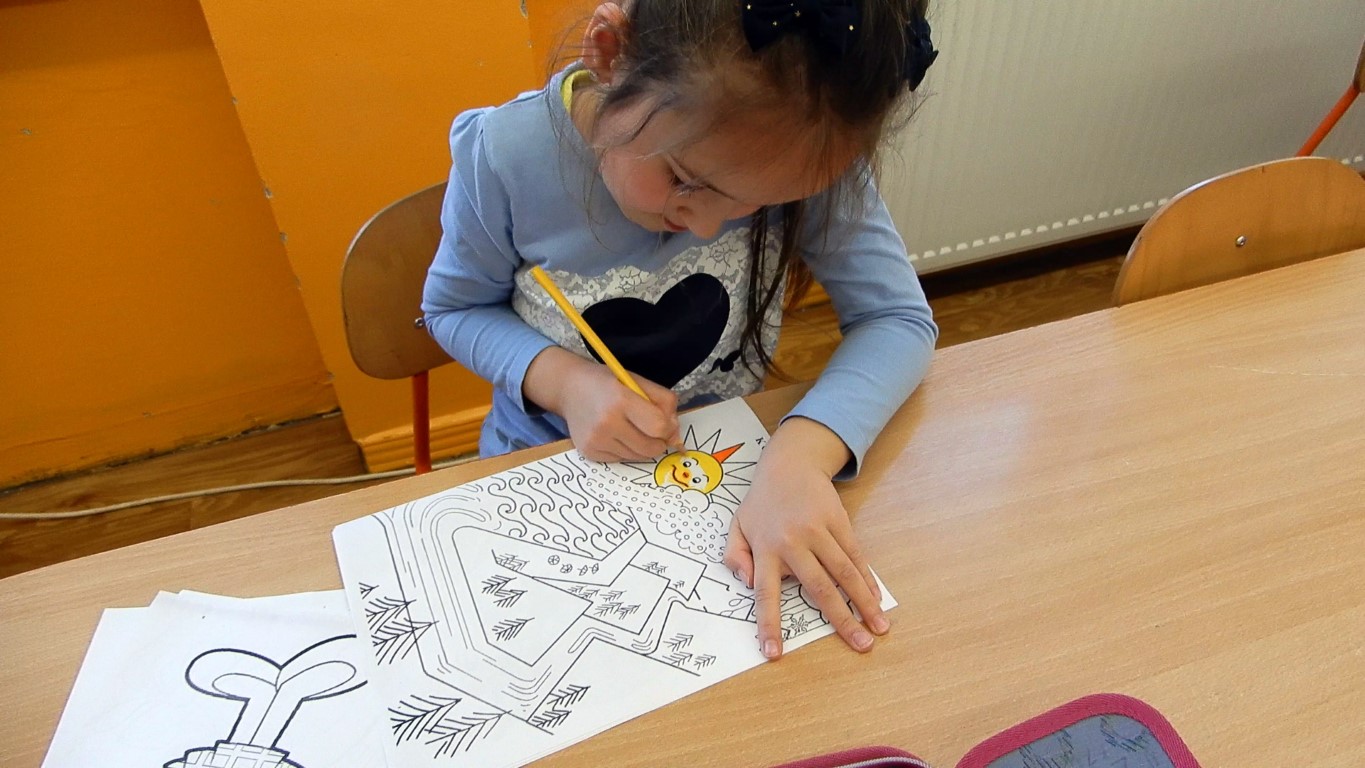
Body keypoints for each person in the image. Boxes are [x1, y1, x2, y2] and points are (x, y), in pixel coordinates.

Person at [422, 0, 940, 660]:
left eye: (762, 204)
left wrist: (803, 456)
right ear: (609, 53)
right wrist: (567, 385)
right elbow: (454, 310)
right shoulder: (504, 158)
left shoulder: (808, 141)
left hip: (725, 469)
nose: (707, 224)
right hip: (543, 466)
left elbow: (896, 319)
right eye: (685, 181)